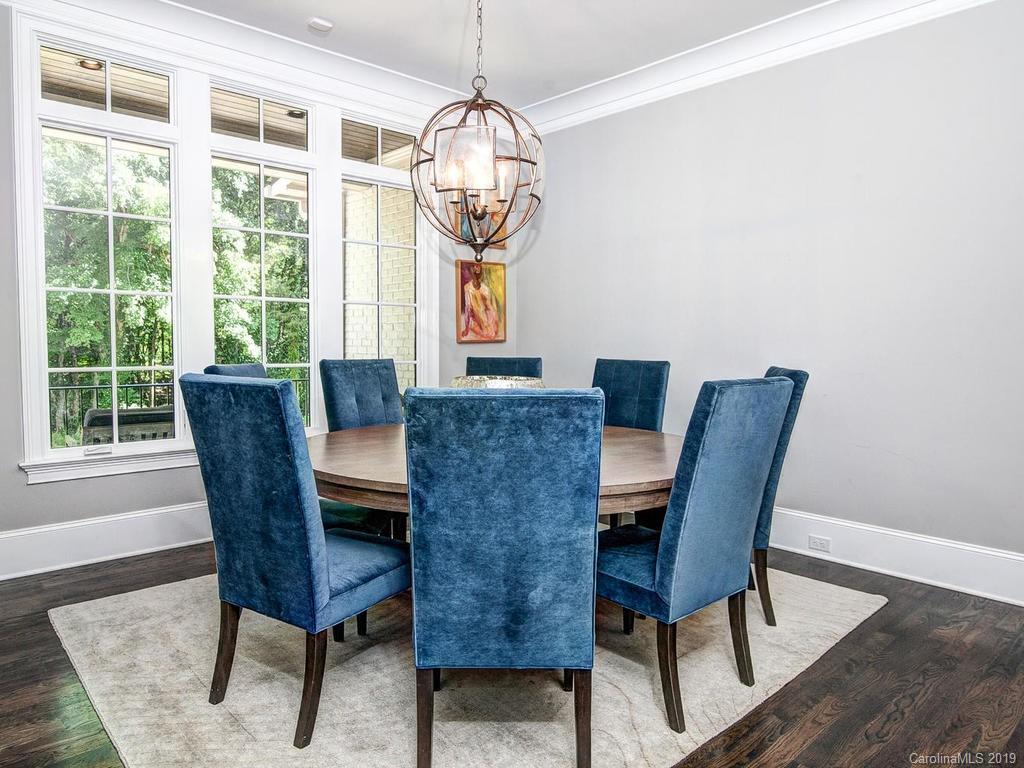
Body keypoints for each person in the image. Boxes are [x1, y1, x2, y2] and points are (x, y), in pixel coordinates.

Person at [461, 263, 501, 341]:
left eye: (479, 271)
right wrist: (467, 328)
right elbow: (468, 309)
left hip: (486, 319)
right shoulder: (468, 288)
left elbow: (490, 307)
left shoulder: (485, 289)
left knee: (491, 334)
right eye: (474, 271)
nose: (476, 273)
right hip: (476, 320)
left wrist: (495, 321)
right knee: (486, 334)